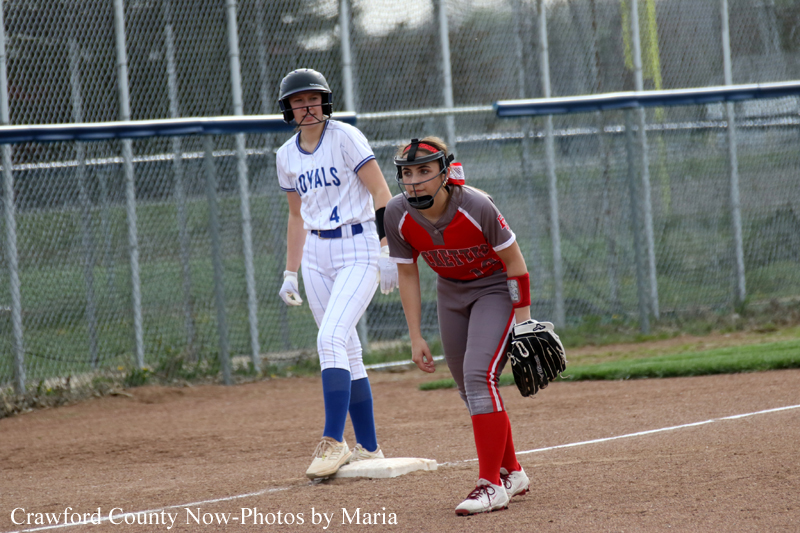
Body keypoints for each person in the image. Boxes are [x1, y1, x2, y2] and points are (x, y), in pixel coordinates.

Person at [384, 136, 547, 515]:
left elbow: (516, 265)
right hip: (450, 293)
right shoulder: (396, 213)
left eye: (424, 171)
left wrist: (523, 323)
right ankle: (514, 472)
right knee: (468, 388)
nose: (415, 181)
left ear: (444, 172)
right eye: (407, 173)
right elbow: (407, 275)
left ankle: (490, 485)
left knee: (478, 377)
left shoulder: (475, 205)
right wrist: (415, 335)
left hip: (493, 288)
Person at [275, 68, 398, 480]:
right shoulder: (286, 155)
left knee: (328, 337)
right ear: (288, 109)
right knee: (346, 348)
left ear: (325, 102)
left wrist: (387, 249)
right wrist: (290, 272)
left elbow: (382, 192)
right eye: (298, 101)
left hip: (358, 243)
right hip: (315, 252)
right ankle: (369, 447)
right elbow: (296, 216)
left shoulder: (345, 137)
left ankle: (333, 440)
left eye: (313, 99)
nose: (306, 106)